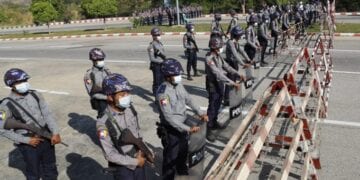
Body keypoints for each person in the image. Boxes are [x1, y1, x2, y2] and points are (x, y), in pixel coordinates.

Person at [0, 68, 62, 180]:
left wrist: (55, 132)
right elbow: (1, 129)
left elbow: (47, 113)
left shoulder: (35, 95)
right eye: (20, 82)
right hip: (28, 144)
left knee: (51, 168)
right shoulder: (5, 105)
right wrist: (26, 141)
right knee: (33, 173)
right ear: (12, 84)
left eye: (25, 80)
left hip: (46, 136)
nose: (24, 84)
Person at [156, 58, 208, 179]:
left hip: (183, 124)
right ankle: (168, 177)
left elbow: (188, 99)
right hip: (172, 129)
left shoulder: (178, 85)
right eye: (176, 74)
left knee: (183, 150)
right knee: (171, 157)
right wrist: (188, 129)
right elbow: (168, 117)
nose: (179, 76)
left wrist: (200, 113)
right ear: (167, 76)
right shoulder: (162, 93)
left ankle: (181, 169)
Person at [97, 73, 149, 180]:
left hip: (139, 157)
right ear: (110, 97)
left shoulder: (130, 109)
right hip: (123, 167)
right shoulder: (103, 122)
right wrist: (135, 162)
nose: (127, 97)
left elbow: (138, 133)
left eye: (128, 93)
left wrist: (145, 151)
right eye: (122, 94)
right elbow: (109, 154)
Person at [205, 37, 243, 142]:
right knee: (212, 106)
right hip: (213, 84)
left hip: (220, 83)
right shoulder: (209, 59)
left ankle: (214, 121)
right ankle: (209, 129)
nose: (221, 48)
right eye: (219, 47)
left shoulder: (218, 56)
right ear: (214, 47)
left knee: (217, 104)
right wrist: (232, 83)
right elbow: (218, 73)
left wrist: (238, 74)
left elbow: (226, 67)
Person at [224, 26, 252, 106]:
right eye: (239, 35)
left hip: (235, 64)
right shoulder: (230, 42)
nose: (240, 36)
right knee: (230, 81)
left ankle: (232, 96)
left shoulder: (236, 42)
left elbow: (242, 51)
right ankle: (226, 99)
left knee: (234, 81)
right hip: (230, 64)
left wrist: (248, 59)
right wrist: (243, 64)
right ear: (235, 35)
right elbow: (235, 54)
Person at [84, 48, 111, 118]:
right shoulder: (89, 74)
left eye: (102, 59)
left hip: (111, 97)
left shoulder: (106, 70)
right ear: (93, 61)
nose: (101, 61)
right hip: (100, 100)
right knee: (103, 118)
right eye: (99, 60)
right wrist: (107, 98)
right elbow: (92, 94)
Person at [147, 27, 166, 96]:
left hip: (162, 64)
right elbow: (152, 58)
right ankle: (156, 95)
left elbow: (163, 53)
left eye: (159, 35)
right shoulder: (151, 46)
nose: (159, 36)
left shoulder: (160, 43)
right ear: (153, 36)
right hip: (156, 65)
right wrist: (160, 61)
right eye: (157, 35)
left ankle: (162, 93)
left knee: (163, 80)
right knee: (157, 81)